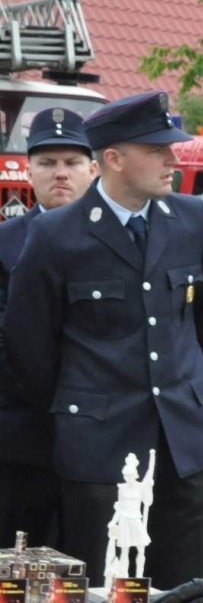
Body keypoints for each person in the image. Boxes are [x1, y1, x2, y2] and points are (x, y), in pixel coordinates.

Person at [3, 92, 203, 589]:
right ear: (115, 159)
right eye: (157, 149)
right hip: (99, 449)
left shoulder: (191, 220)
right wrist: (72, 419)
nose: (173, 159)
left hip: (182, 445)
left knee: (182, 597)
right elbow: (30, 349)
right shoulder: (57, 235)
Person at [0, 108, 99, 545]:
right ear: (29, 169)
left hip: (102, 432)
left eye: (72, 163)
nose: (61, 174)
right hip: (25, 434)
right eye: (47, 163)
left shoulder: (120, 241)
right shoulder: (5, 243)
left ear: (94, 169)